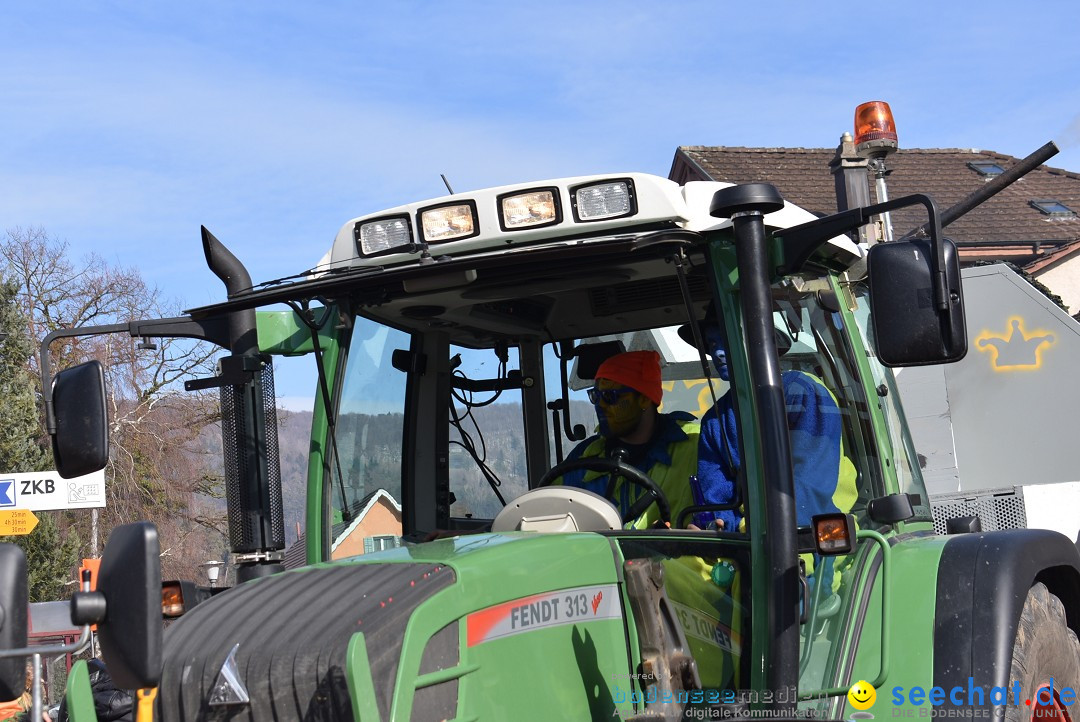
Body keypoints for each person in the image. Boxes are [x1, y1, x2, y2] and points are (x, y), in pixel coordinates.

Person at [679, 306, 857, 534]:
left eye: (728, 340)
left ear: (759, 343)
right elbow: (715, 495)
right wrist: (717, 525)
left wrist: (752, 530)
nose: (718, 353)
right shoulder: (714, 420)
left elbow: (810, 486)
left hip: (816, 534)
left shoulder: (801, 392)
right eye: (713, 345)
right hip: (747, 539)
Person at [555, 350, 700, 529]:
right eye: (595, 396)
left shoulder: (697, 445)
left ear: (645, 399)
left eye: (610, 397)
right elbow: (546, 511)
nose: (600, 405)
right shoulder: (583, 458)